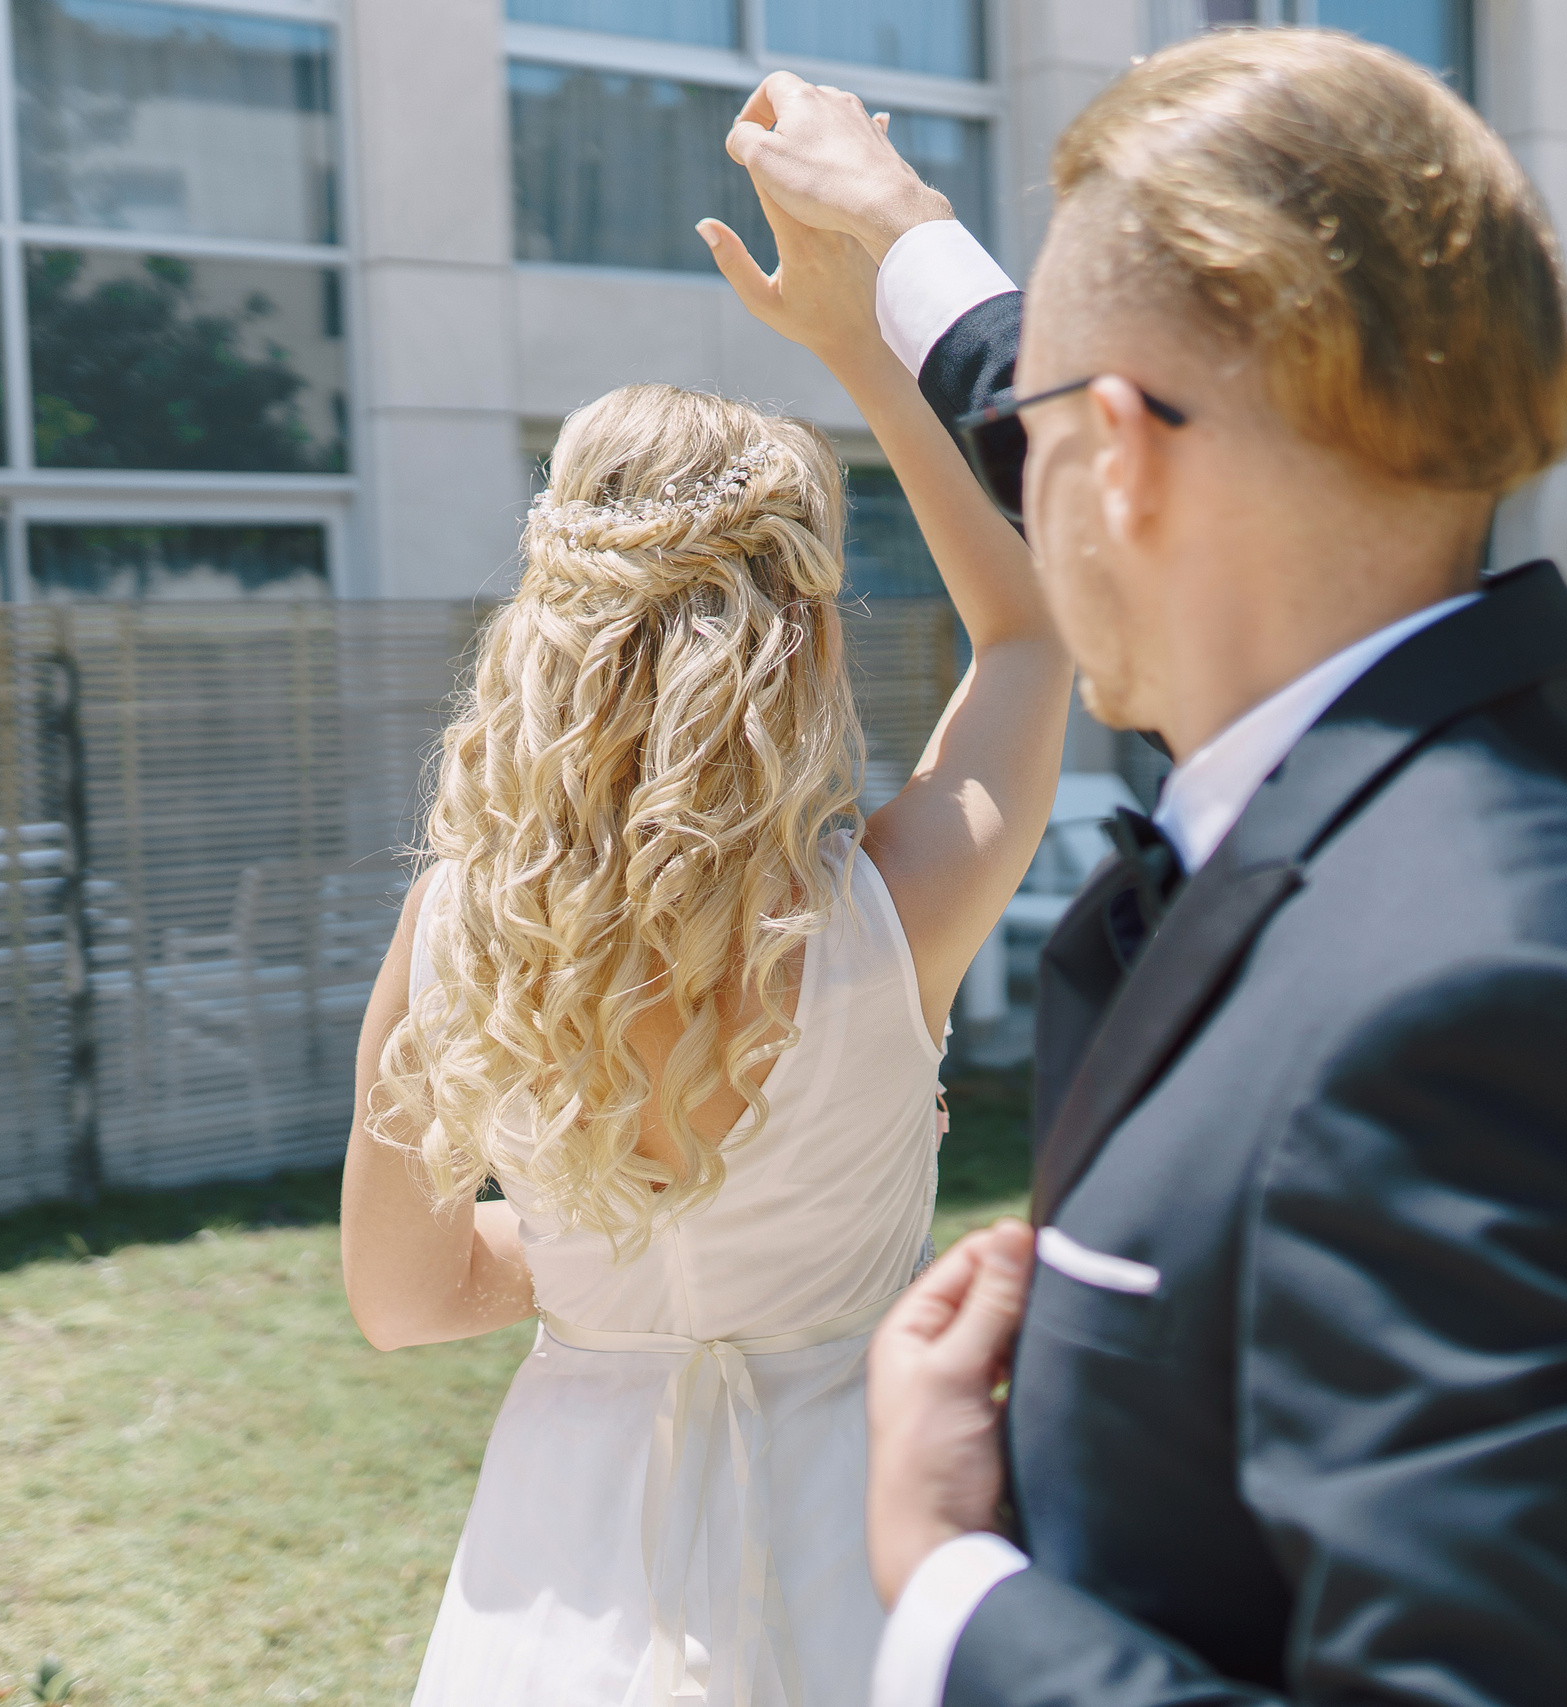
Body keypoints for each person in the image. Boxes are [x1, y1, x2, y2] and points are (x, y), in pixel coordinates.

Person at [724, 28, 1567, 1707]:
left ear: (1129, 458)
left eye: (1044, 428)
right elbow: (1110, 402)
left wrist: (952, 1590)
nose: (1027, 457)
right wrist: (895, 236)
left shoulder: (1489, 1008)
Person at [338, 194, 1073, 1702]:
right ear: (796, 633)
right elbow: (1030, 630)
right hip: (865, 1547)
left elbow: (402, 1300)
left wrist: (587, 1277)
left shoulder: (460, 928)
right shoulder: (895, 912)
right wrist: (869, 349)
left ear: (552, 617)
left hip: (564, 1573)